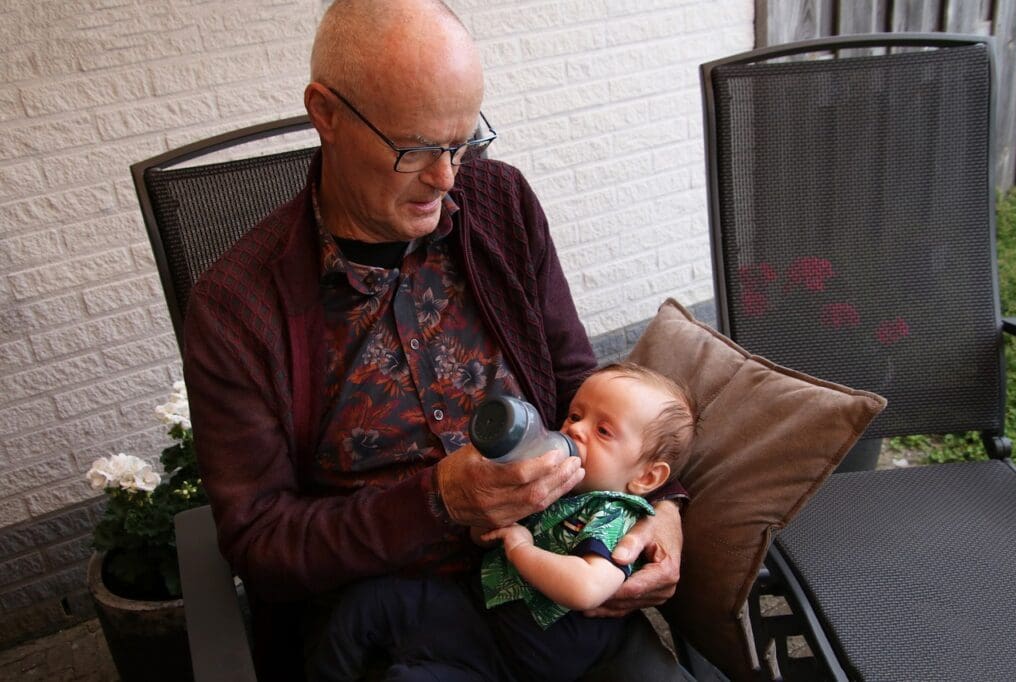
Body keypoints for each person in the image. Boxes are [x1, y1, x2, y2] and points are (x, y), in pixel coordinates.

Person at [182, 1, 687, 678]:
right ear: (325, 114)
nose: (447, 179)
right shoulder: (238, 307)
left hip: (559, 594)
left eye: (461, 142)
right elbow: (263, 542)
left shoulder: (498, 203)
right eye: (415, 148)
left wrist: (662, 507)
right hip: (390, 624)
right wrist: (436, 502)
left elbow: (580, 388)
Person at [306, 362, 696, 681]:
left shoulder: (616, 516)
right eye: (575, 415)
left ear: (646, 478)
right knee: (370, 602)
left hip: (523, 660)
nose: (575, 429)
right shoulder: (554, 481)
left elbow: (586, 588)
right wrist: (489, 521)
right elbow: (484, 534)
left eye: (603, 430)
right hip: (478, 612)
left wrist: (522, 547)